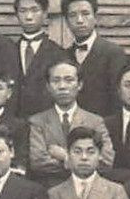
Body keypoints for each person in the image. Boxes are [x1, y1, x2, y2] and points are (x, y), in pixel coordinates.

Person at [27, 58, 114, 186]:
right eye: (56, 81)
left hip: (88, 187)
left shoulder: (95, 121)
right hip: (50, 188)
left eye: (69, 80)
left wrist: (64, 157)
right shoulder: (37, 121)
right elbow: (38, 161)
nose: (62, 86)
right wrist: (84, 163)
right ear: (48, 86)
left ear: (79, 85)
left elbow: (106, 161)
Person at [61, 0, 128, 116]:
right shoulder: (63, 56)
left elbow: (118, 101)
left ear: (95, 17)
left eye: (85, 14)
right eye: (73, 15)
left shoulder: (114, 53)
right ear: (67, 22)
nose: (79, 20)